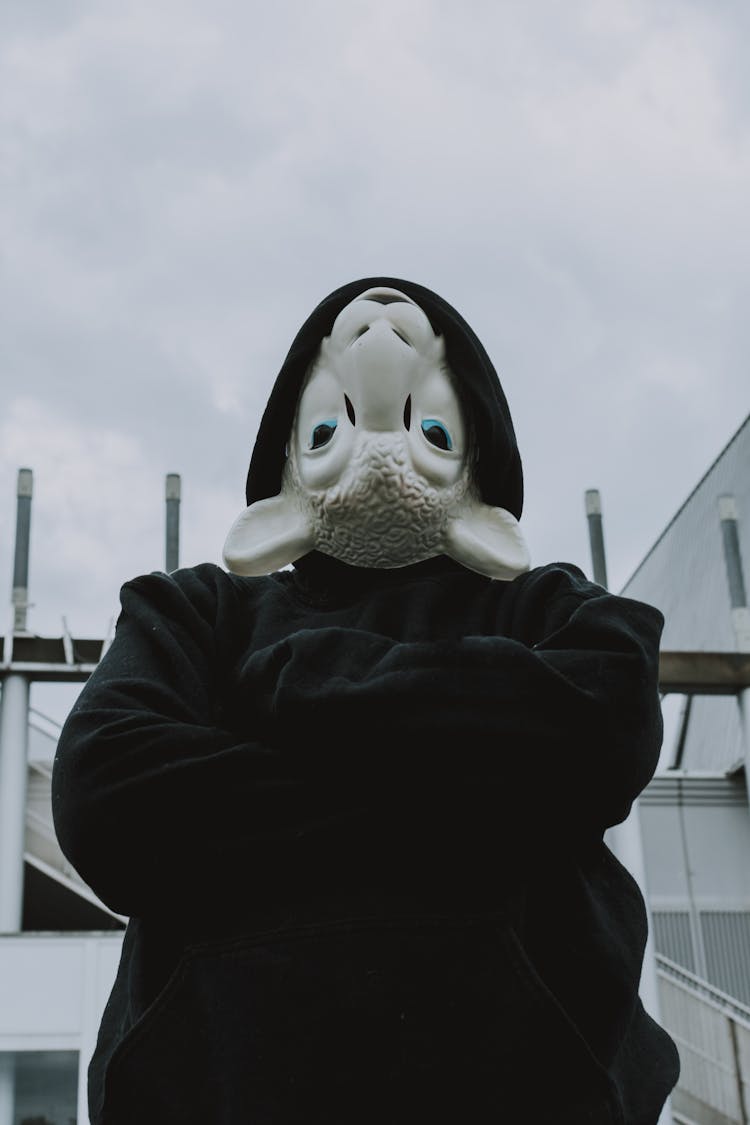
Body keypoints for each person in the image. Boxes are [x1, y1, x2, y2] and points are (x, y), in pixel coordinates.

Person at [52, 277, 680, 1124]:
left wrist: (307, 679)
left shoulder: (547, 607)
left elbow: (609, 721)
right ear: (283, 466)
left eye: (432, 429)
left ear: (479, 464)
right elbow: (109, 796)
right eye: (324, 427)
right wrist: (472, 782)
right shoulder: (198, 611)